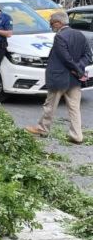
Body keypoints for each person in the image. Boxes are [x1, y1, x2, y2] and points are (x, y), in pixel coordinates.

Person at [26, 12, 91, 144]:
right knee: (74, 108)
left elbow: (65, 58)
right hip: (74, 79)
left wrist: (76, 68)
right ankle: (77, 135)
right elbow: (88, 55)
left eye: (51, 24)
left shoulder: (60, 36)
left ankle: (42, 129)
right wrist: (79, 68)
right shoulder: (80, 35)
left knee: (50, 105)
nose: (51, 27)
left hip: (59, 77)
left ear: (58, 23)